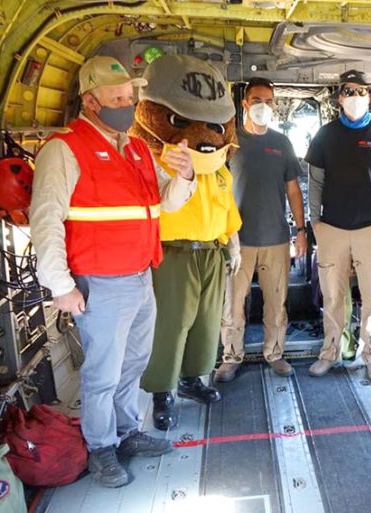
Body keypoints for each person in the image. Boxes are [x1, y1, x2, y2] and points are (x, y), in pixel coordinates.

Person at [30, 56, 195, 487]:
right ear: (91, 100)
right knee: (103, 372)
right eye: (118, 98)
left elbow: (168, 202)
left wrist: (186, 175)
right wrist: (60, 286)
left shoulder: (138, 147)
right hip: (100, 282)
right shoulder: (64, 148)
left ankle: (126, 432)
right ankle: (101, 447)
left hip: (141, 276)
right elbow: (44, 219)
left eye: (130, 96)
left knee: (134, 362)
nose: (127, 103)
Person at [135, 55, 242, 431]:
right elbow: (166, 202)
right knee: (170, 324)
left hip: (212, 251)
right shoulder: (157, 159)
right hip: (174, 252)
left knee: (206, 322)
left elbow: (227, 208)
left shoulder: (219, 168)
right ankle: (161, 391)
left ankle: (192, 379)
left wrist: (233, 245)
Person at [305, 69, 371, 381]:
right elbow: (315, 182)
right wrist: (315, 221)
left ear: (370, 97)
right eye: (349, 91)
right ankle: (330, 352)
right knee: (333, 297)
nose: (355, 97)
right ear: (339, 97)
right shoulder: (325, 135)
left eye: (361, 92)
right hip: (331, 228)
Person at [216, 77, 306, 382]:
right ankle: (231, 357)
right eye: (257, 100)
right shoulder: (231, 143)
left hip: (276, 239)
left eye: (269, 101)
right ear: (244, 104)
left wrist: (301, 230)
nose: (263, 106)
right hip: (236, 240)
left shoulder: (281, 143)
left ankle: (275, 354)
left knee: (276, 302)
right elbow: (215, 189)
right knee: (232, 303)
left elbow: (293, 190)